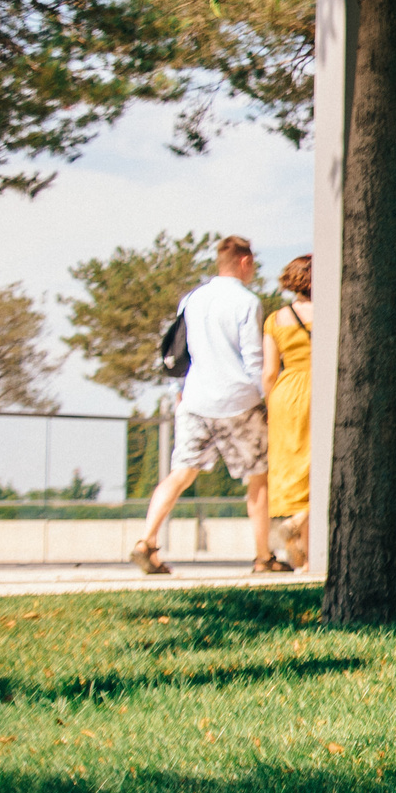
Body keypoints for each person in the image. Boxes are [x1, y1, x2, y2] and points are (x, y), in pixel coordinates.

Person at [132, 235, 280, 575]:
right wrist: (266, 400)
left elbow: (183, 348)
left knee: (180, 473)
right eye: (253, 263)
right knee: (258, 477)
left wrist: (182, 390)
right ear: (244, 262)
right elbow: (253, 359)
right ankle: (263, 557)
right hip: (237, 400)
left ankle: (146, 541)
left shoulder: (192, 298)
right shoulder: (247, 301)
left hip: (195, 398)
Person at [261, 255, 314, 567]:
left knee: (294, 465)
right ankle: (297, 523)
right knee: (324, 464)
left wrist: (271, 403)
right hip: (318, 388)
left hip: (285, 391)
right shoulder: (333, 312)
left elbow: (268, 371)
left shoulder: (275, 318)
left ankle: (302, 553)